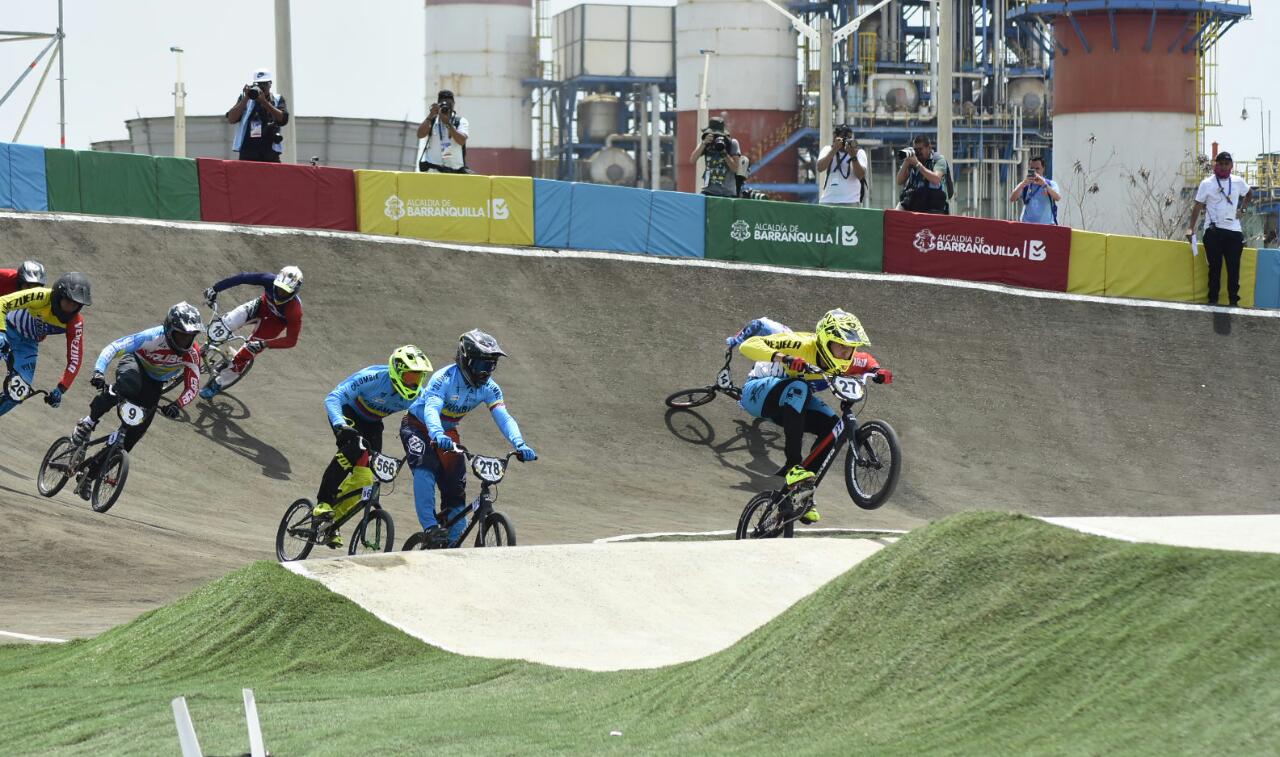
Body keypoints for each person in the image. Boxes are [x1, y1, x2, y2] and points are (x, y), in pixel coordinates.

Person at [737, 309, 893, 523]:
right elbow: (748, 345)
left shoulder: (849, 358)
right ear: (825, 341)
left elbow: (865, 360)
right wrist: (785, 358)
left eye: (850, 348)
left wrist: (877, 370)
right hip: (758, 394)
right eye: (840, 346)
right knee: (799, 387)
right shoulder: (801, 344)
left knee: (833, 428)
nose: (845, 352)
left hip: (793, 400)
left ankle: (803, 493)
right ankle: (793, 467)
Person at [400, 330, 537, 549]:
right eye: (483, 366)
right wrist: (436, 434)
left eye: (491, 366)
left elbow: (503, 417)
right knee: (425, 468)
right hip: (418, 426)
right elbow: (432, 409)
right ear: (467, 360)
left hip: (447, 431)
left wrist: (519, 443)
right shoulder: (444, 378)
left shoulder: (490, 388)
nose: (486, 373)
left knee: (456, 484)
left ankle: (452, 540)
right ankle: (429, 527)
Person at [70, 302, 202, 496]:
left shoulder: (192, 353)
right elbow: (115, 347)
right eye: (181, 335)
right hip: (135, 364)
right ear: (168, 328)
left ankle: (89, 474)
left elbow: (193, 385)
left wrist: (177, 404)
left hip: (154, 384)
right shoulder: (153, 336)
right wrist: (99, 372)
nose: (185, 341)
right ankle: (88, 423)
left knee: (131, 438)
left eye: (190, 336)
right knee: (129, 385)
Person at [313, 345, 433, 548]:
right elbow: (334, 397)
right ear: (397, 371)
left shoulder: (417, 395)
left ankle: (331, 524)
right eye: (410, 376)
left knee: (366, 478)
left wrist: (434, 438)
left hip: (373, 425)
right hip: (347, 415)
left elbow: (427, 419)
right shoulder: (373, 377)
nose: (414, 382)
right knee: (351, 448)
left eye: (418, 377)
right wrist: (339, 425)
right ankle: (322, 503)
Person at [199, 266, 304, 399]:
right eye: (279, 288)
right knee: (226, 322)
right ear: (276, 281)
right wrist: (215, 289)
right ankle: (204, 348)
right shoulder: (269, 279)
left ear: (294, 292)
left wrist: (264, 344)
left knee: (247, 352)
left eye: (285, 291)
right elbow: (242, 278)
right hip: (261, 306)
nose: (280, 292)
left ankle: (218, 383)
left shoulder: (295, 311)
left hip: (274, 324)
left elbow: (291, 340)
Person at [0, 272, 91, 417]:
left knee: (18, 393)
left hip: (28, 345)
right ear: (58, 296)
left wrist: (61, 388)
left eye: (75, 305)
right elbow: (2, 303)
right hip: (7, 328)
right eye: (68, 301)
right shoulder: (40, 296)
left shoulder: (75, 323)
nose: (70, 307)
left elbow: (75, 359)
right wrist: (1, 332)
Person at [1189, 151, 1253, 306]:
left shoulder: (1237, 181)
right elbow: (1197, 206)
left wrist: (1243, 209)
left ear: (1231, 165)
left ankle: (1233, 301)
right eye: (1221, 164)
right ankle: (1213, 300)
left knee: (1233, 269)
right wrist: (1190, 228)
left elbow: (1250, 193)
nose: (1224, 167)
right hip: (1213, 231)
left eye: (1227, 164)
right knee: (1215, 268)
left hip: (1234, 232)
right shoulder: (1207, 183)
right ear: (1215, 165)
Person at [226, 68, 290, 163]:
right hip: (248, 152)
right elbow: (231, 119)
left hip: (270, 152)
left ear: (270, 84)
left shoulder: (277, 99)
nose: (262, 87)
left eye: (265, 84)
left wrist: (264, 102)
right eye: (259, 84)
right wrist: (246, 97)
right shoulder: (246, 99)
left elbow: (283, 119)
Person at [895, 135, 952, 214]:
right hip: (915, 205)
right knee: (896, 214)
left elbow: (936, 179)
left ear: (929, 148)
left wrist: (918, 164)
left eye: (920, 149)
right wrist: (906, 162)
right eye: (916, 150)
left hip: (934, 207)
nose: (918, 153)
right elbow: (899, 181)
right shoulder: (913, 162)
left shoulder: (938, 160)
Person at [417, 89, 470, 174]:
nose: (446, 108)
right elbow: (419, 135)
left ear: (453, 104)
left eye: (449, 104)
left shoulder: (460, 121)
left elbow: (461, 141)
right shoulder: (432, 120)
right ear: (438, 105)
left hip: (454, 172)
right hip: (433, 171)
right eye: (443, 105)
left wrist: (448, 124)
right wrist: (430, 115)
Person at [691, 116, 743, 198]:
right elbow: (692, 160)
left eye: (718, 135)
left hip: (727, 193)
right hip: (708, 191)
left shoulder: (732, 143)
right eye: (713, 135)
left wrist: (724, 152)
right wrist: (703, 143)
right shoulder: (706, 143)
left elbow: (735, 168)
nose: (715, 138)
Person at [817, 125, 869, 207]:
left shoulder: (859, 152)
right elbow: (820, 168)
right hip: (828, 200)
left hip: (851, 201)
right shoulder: (827, 149)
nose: (846, 141)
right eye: (843, 138)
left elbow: (860, 175)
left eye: (849, 138)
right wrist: (834, 150)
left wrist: (853, 156)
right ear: (835, 138)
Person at [1010, 156, 1061, 225]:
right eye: (1032, 169)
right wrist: (1024, 183)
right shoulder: (1025, 185)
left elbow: (1057, 197)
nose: (1035, 172)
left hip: (1046, 226)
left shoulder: (1050, 184)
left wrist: (1044, 184)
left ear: (1043, 169)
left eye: (1037, 169)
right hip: (1027, 226)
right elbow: (1012, 198)